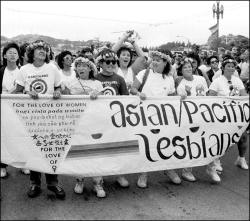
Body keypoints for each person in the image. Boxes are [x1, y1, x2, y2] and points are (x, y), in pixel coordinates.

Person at [13, 40, 66, 199]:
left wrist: (57, 91)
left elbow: (59, 86)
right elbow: (17, 91)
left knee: (50, 150)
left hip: (50, 117)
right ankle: (35, 184)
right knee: (34, 150)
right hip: (31, 117)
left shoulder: (52, 68)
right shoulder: (23, 69)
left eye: (45, 49)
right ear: (31, 53)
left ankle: (53, 183)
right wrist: (26, 93)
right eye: (39, 49)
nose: (43, 51)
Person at [131, 50, 180, 187]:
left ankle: (168, 169)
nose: (155, 61)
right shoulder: (144, 73)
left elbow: (172, 97)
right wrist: (139, 93)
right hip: (144, 117)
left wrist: (181, 96)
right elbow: (133, 89)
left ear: (166, 62)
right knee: (147, 145)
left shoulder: (170, 79)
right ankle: (143, 173)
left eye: (159, 60)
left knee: (167, 143)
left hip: (164, 118)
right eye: (154, 59)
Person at [62, 57, 106, 197]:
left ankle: (98, 183)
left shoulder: (98, 84)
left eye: (84, 66)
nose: (81, 68)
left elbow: (104, 104)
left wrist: (98, 96)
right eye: (78, 65)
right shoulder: (69, 83)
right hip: (77, 124)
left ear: (90, 69)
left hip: (94, 124)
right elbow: (64, 102)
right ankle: (79, 180)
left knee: (96, 152)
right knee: (79, 153)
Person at [208, 56, 249, 183]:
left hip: (236, 115)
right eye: (228, 66)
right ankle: (216, 162)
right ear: (223, 68)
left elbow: (243, 96)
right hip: (221, 116)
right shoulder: (217, 81)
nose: (231, 68)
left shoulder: (237, 81)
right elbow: (210, 98)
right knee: (221, 140)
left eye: (232, 66)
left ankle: (241, 159)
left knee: (242, 137)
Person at [95, 48, 129, 191]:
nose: (111, 64)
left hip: (115, 121)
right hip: (99, 120)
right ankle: (98, 180)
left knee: (116, 148)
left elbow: (126, 100)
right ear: (101, 63)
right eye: (107, 62)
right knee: (99, 150)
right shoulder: (95, 78)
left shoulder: (120, 79)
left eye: (113, 62)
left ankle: (118, 173)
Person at [0, 42, 30, 177]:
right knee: (3, 137)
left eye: (15, 53)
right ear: (5, 55)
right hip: (3, 109)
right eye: (10, 52)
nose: (12, 55)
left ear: (19, 56)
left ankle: (22, 163)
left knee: (20, 136)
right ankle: (2, 166)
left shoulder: (23, 71)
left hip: (19, 109)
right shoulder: (1, 71)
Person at [176, 58, 209, 183]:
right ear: (180, 70)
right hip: (188, 118)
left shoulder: (200, 79)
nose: (188, 69)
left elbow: (207, 95)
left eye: (190, 66)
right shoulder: (179, 83)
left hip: (203, 115)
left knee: (206, 141)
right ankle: (187, 170)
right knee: (189, 142)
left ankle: (211, 167)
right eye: (185, 67)